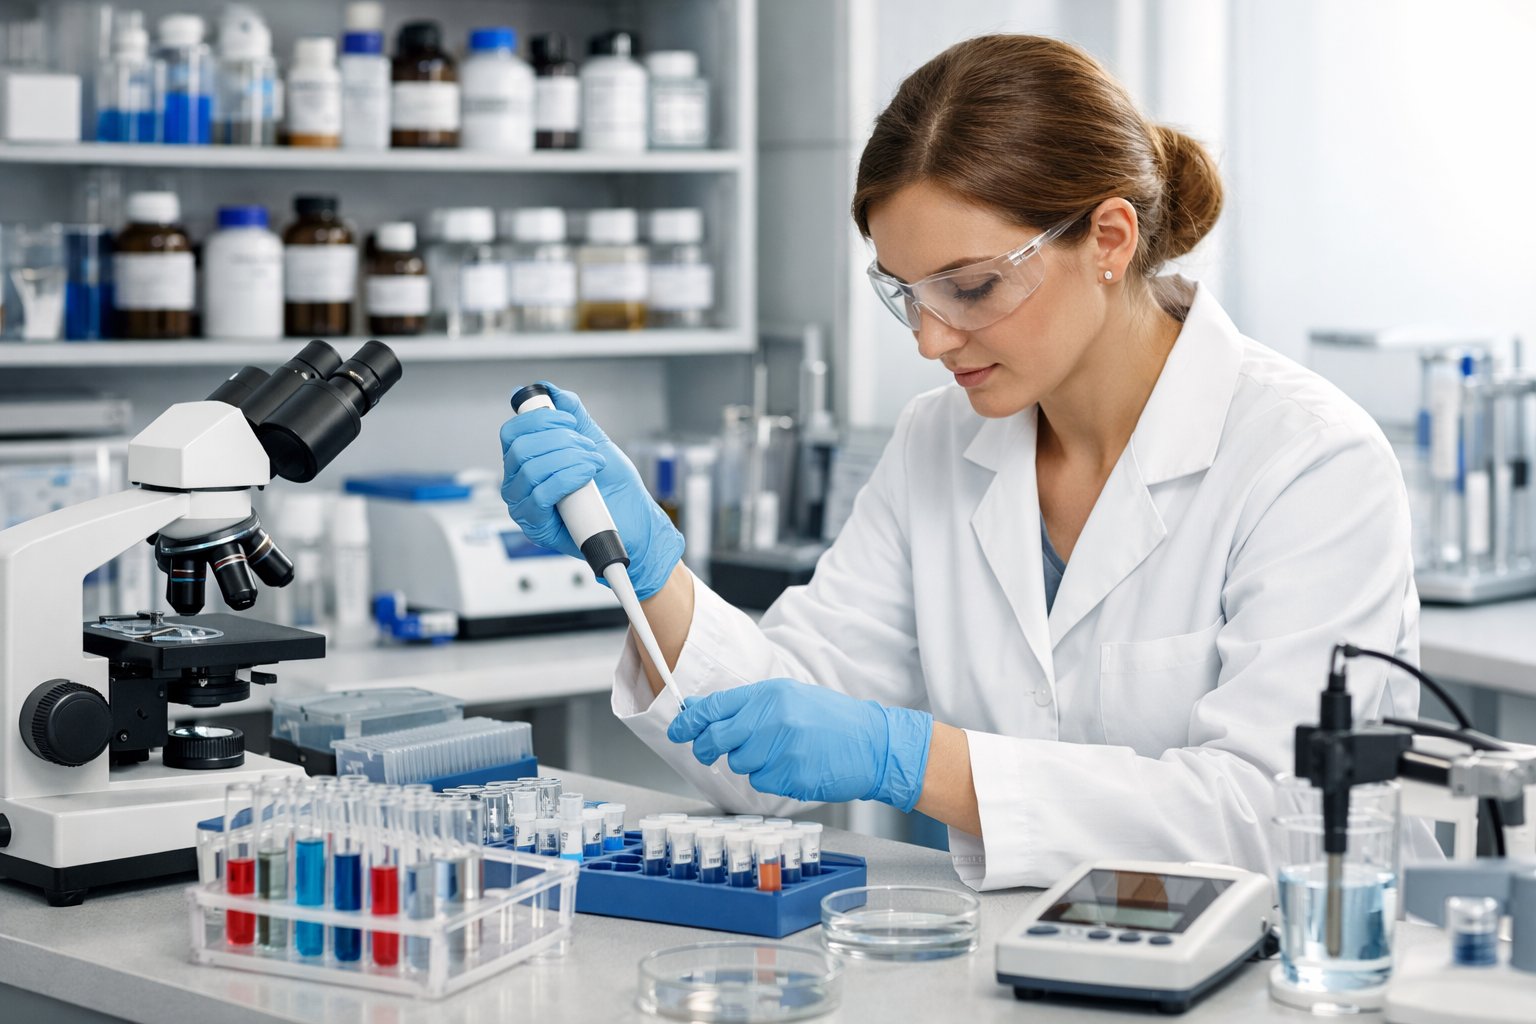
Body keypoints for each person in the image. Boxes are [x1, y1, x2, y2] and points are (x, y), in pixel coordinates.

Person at [499, 34, 1430, 890]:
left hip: (1266, 975)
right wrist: (650, 574)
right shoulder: (937, 441)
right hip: (1011, 968)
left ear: (1109, 240)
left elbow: (1278, 818)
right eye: (906, 294)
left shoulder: (1309, 460)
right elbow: (765, 754)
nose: (931, 338)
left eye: (972, 287)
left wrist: (916, 762)